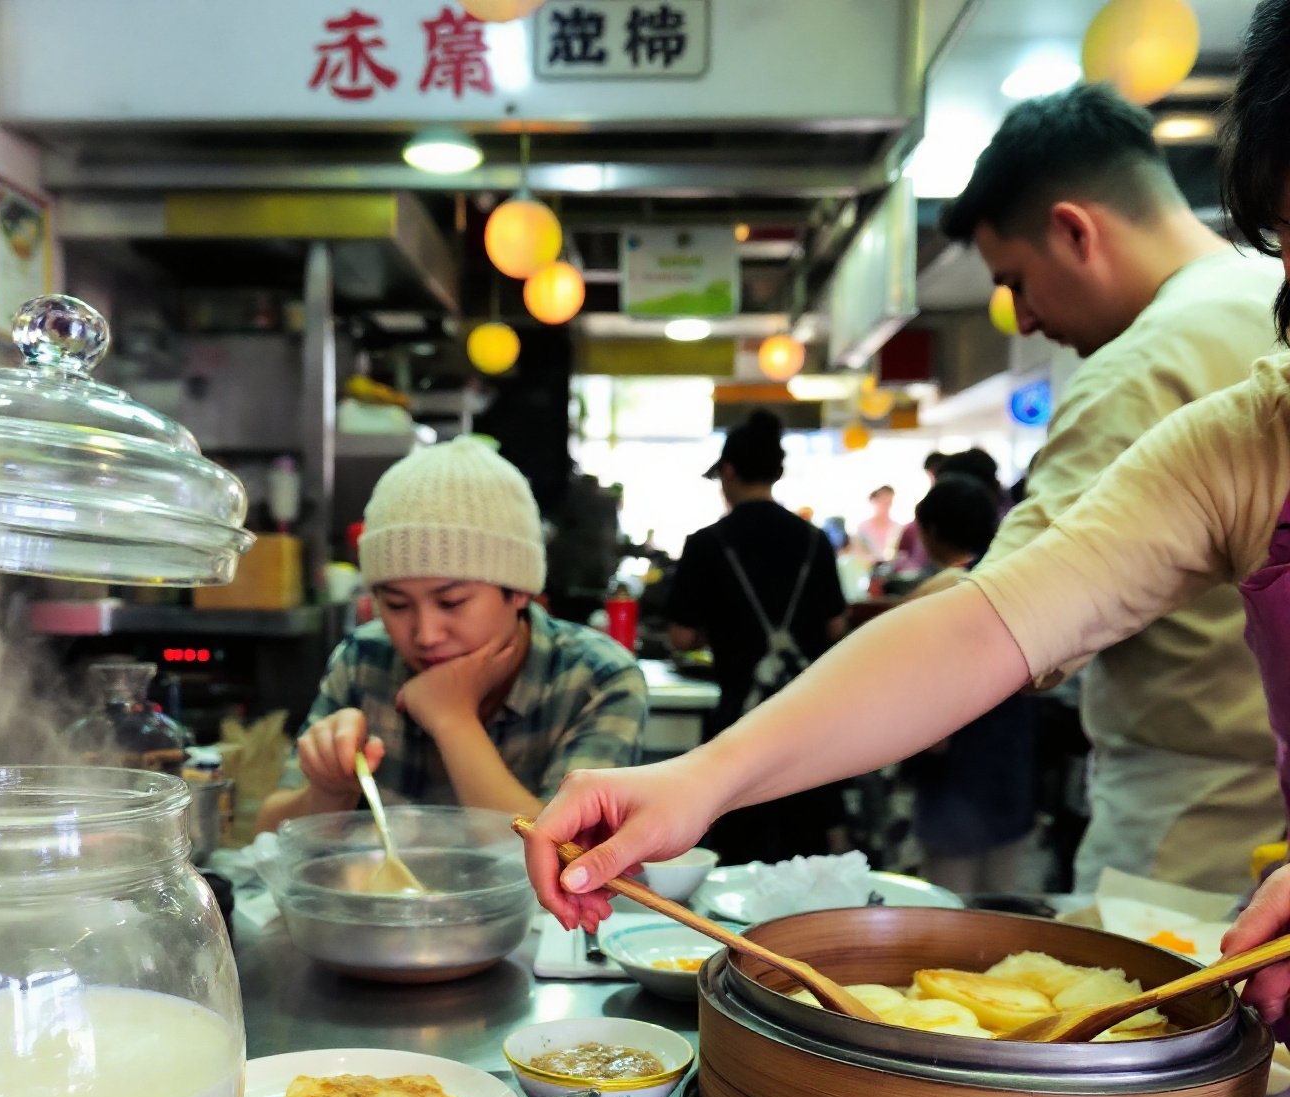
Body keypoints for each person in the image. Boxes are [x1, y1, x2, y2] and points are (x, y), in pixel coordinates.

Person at [517, 0, 1290, 1028]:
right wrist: (697, 781)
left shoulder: (1158, 364)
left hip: (1188, 834)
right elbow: (986, 626)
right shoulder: (1249, 437)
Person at [930, 83, 1284, 894]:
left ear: (1073, 230)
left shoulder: (1138, 370)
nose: (1019, 318)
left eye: (1014, 280)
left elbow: (1005, 633)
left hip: (1190, 832)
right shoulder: (1270, 299)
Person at [257, 436, 648, 830]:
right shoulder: (365, 660)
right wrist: (328, 790)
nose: (425, 635)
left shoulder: (599, 678)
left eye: (452, 602)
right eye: (396, 604)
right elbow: (267, 836)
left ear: (519, 593)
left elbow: (572, 863)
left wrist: (452, 720)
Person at [666, 410, 847, 861]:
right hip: (809, 725)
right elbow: (835, 628)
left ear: (728, 472)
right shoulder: (814, 541)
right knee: (804, 852)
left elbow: (682, 636)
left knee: (737, 851)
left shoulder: (706, 544)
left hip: (739, 724)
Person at [902, 479, 1036, 893]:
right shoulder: (1019, 583)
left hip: (955, 770)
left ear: (933, 532)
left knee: (950, 901)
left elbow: (924, 700)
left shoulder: (938, 595)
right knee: (1004, 900)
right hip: (1012, 759)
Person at [853, 485, 901, 563]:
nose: (886, 505)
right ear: (874, 501)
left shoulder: (897, 528)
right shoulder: (863, 527)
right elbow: (858, 553)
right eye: (883, 501)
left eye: (889, 502)